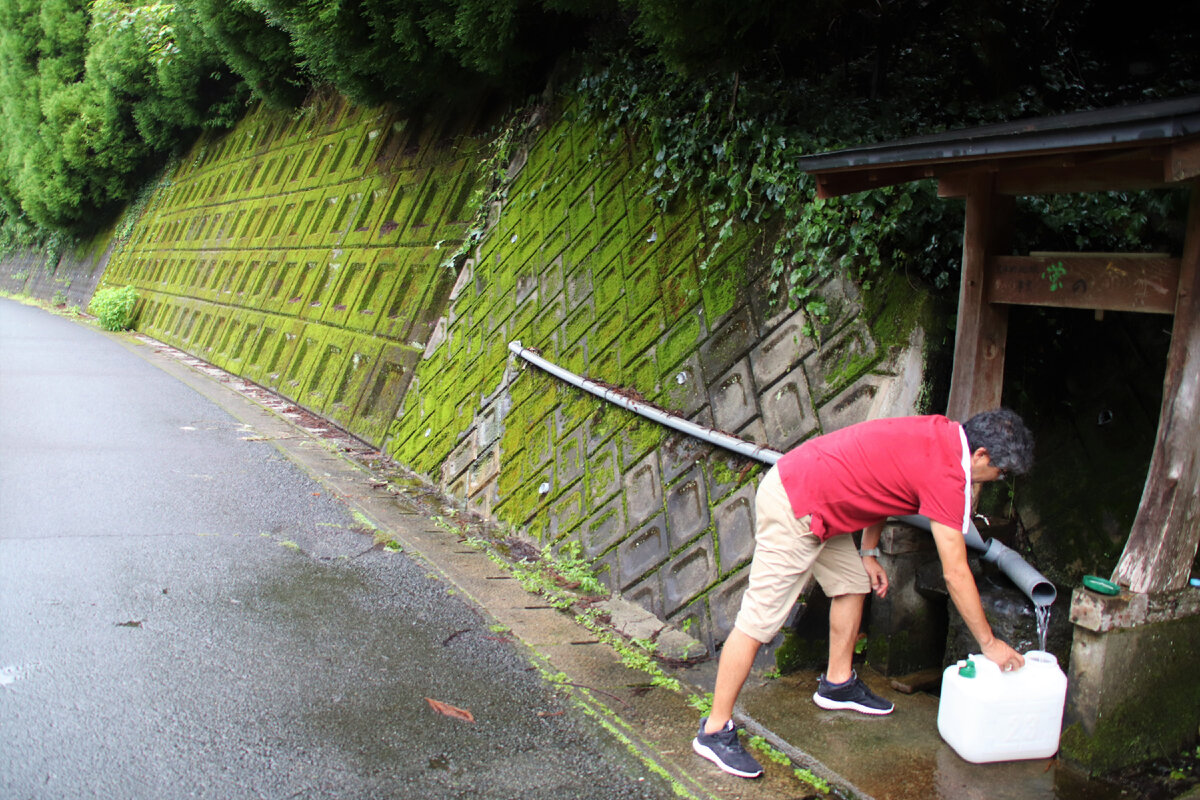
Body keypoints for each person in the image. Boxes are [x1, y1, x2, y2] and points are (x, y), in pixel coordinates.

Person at [691, 409, 1035, 779]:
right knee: (758, 622)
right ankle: (714, 730)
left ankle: (837, 684)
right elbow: (955, 572)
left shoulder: (940, 434)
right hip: (797, 504)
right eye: (999, 472)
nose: (997, 480)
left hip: (820, 492)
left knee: (853, 583)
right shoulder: (948, 472)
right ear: (981, 455)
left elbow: (885, 487)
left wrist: (868, 553)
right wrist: (989, 642)